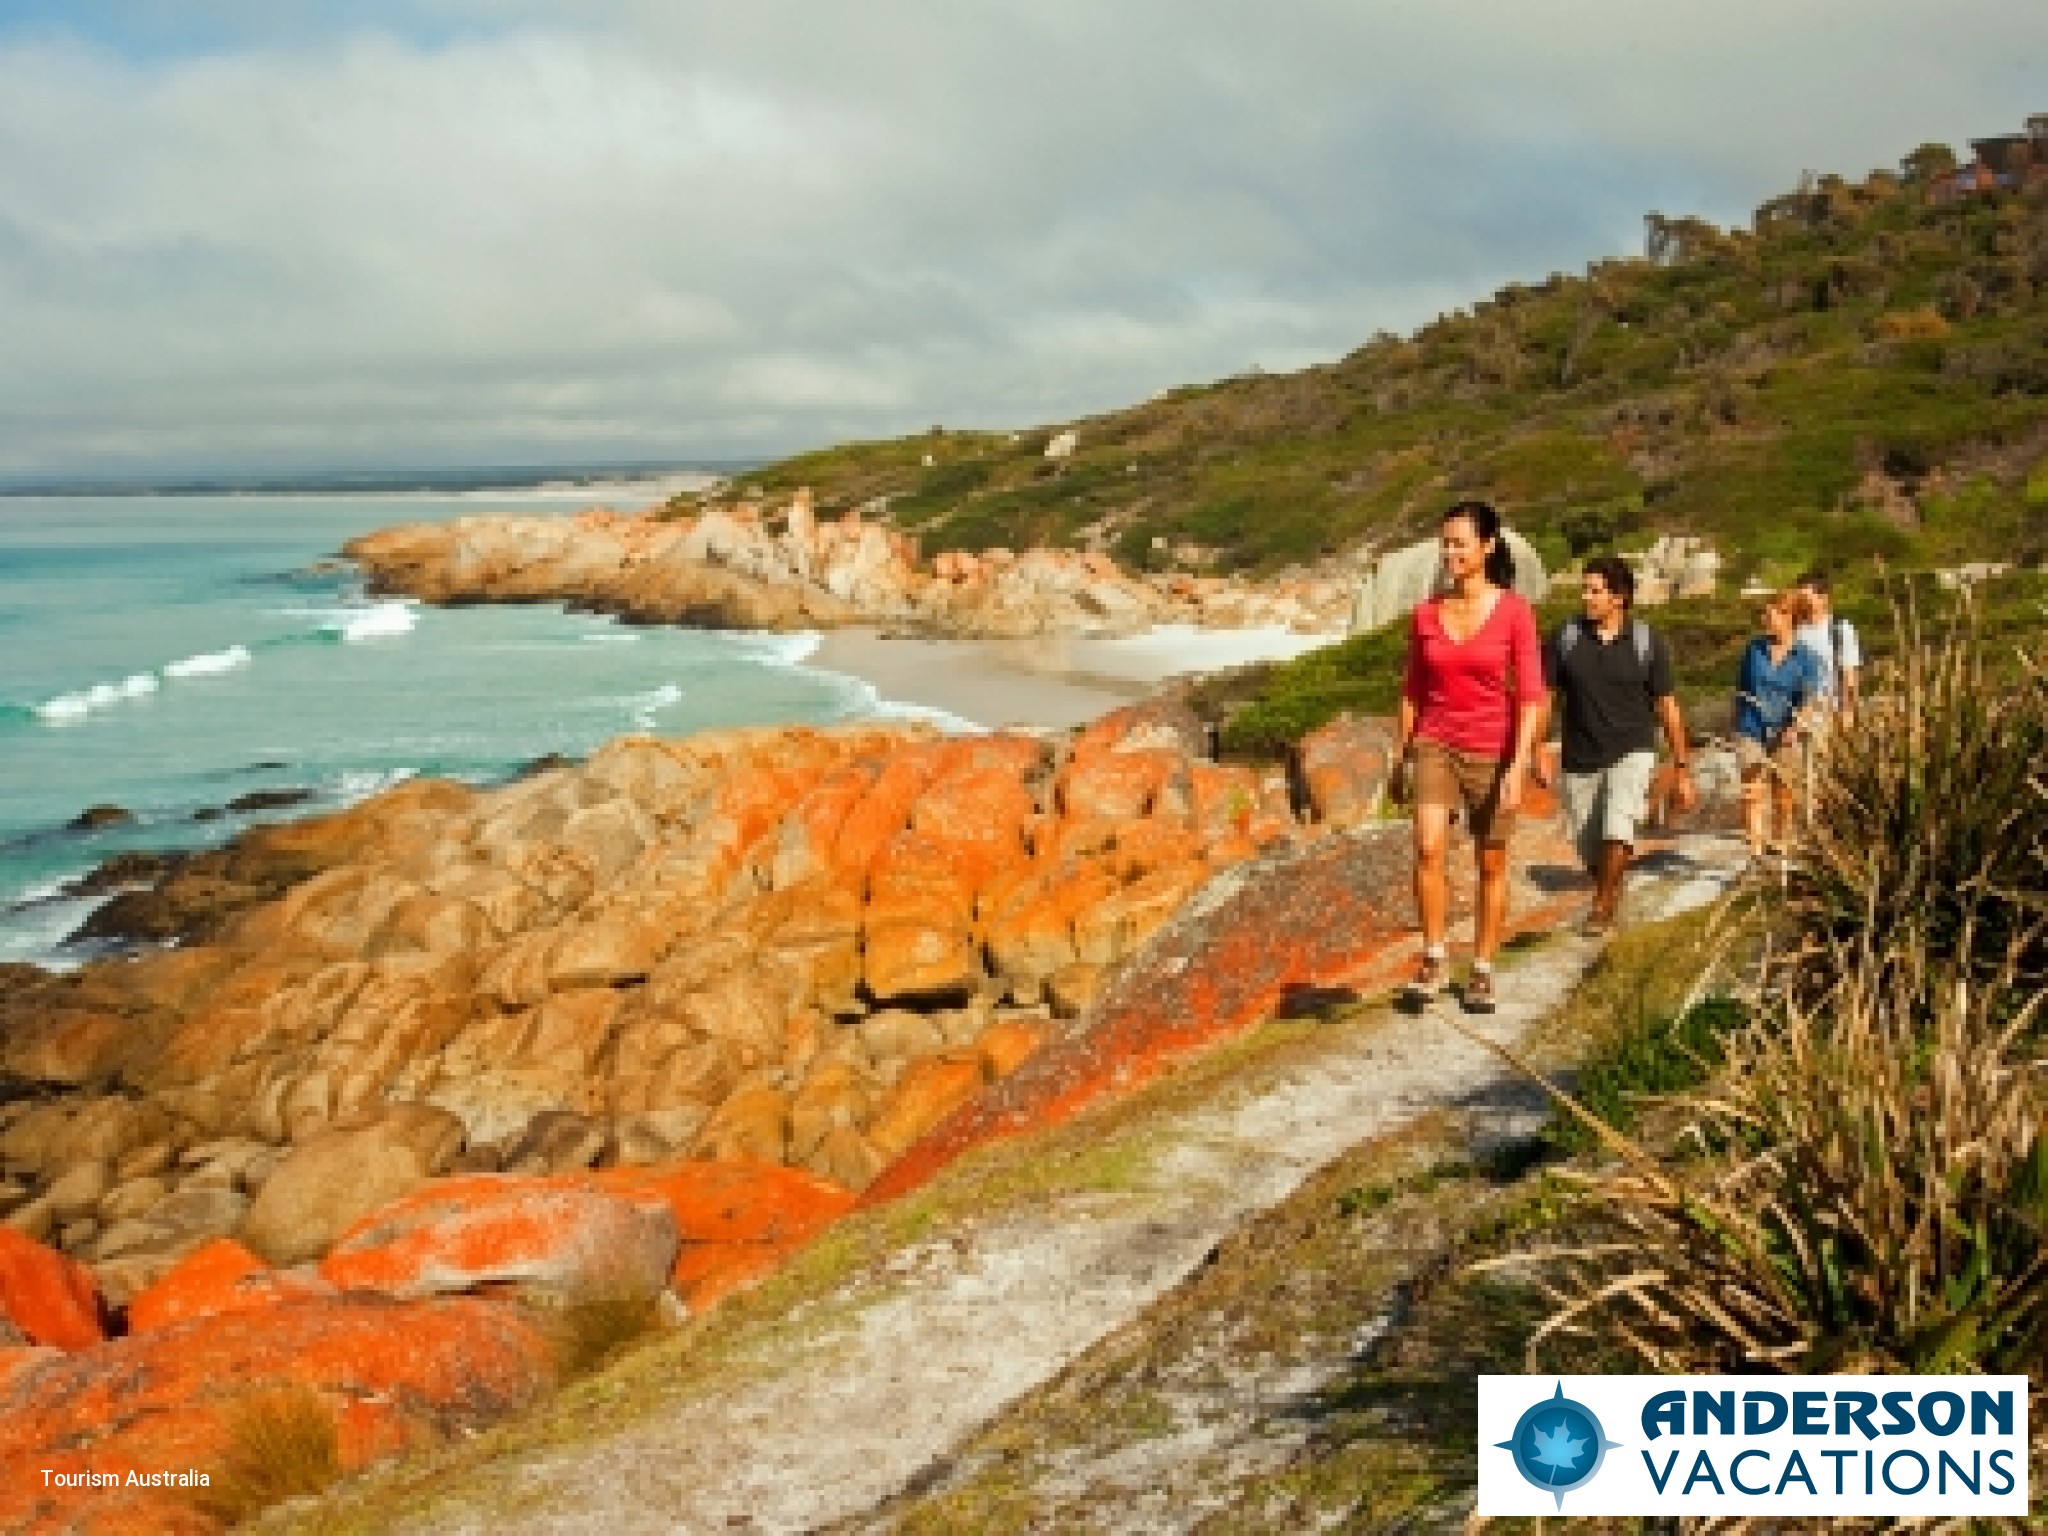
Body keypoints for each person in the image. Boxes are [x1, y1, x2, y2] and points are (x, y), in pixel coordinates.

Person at [1389, 500, 1547, 1013]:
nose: (1449, 551)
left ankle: (1481, 967)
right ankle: (1434, 956)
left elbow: (1530, 695)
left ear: (1488, 546)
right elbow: (1413, 688)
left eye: (1459, 543)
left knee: (1491, 862)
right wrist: (1400, 753)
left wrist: (1519, 764)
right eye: (1446, 543)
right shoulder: (1426, 614)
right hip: (1435, 740)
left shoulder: (1515, 613)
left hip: (1493, 749)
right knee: (1428, 848)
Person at [1532, 555, 1697, 936]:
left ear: (1619, 597)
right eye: (1584, 590)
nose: (1586, 597)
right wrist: (1537, 746)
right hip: (1580, 757)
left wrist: (1682, 768)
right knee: (1590, 848)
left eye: (1595, 591)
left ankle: (1601, 908)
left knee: (1618, 826)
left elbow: (1667, 706)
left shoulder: (1645, 642)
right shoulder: (1566, 637)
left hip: (1634, 749)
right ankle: (1609, 886)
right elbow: (1545, 696)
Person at [1734, 590, 1825, 857]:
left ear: (1789, 617)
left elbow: (1808, 700)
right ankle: (1756, 853)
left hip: (1786, 729)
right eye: (1765, 612)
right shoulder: (1753, 649)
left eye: (1771, 612)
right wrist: (1736, 725)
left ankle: (1781, 844)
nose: (1765, 618)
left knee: (1783, 793)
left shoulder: (1806, 657)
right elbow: (1740, 690)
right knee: (1752, 791)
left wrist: (1794, 728)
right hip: (1751, 726)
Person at [1794, 570, 1861, 719]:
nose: (1802, 603)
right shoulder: (1794, 630)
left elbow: (1849, 675)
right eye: (1799, 598)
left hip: (1830, 714)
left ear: (1823, 598)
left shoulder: (1840, 629)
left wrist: (1847, 712)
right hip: (1797, 715)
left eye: (1806, 598)